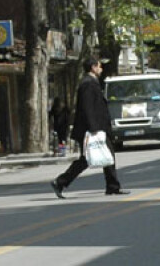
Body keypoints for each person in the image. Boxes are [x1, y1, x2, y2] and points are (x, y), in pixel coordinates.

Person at [50, 58, 127, 198]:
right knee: (87, 159)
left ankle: (112, 186)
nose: (101, 68)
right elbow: (87, 108)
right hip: (92, 130)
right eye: (99, 66)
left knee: (106, 156)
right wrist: (94, 128)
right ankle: (60, 182)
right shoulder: (87, 84)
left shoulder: (92, 82)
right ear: (93, 67)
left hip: (97, 128)